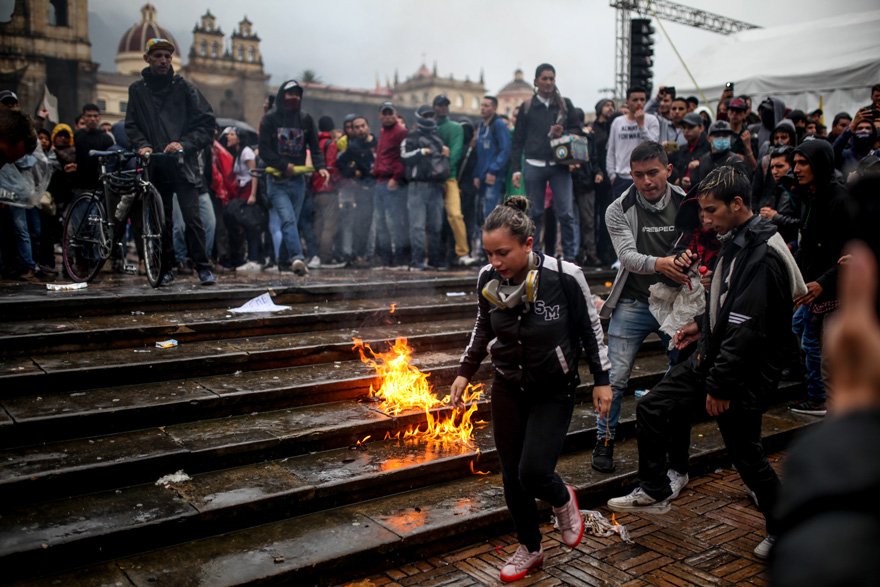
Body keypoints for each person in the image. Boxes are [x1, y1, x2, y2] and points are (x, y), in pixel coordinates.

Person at [607, 165, 806, 559]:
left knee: (745, 453)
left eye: (711, 210)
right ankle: (655, 489)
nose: (705, 219)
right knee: (652, 406)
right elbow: (728, 304)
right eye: (702, 210)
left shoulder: (761, 252)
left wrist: (719, 386)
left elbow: (747, 327)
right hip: (716, 356)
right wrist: (701, 326)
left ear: (737, 204)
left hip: (743, 372)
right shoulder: (737, 238)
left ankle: (786, 528)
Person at [450, 196, 610, 583]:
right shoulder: (487, 278)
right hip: (507, 385)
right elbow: (482, 327)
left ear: (527, 243)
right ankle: (530, 547)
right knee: (510, 474)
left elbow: (591, 328)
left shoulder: (564, 276)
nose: (496, 262)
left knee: (534, 470)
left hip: (553, 387)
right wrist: (464, 372)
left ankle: (561, 498)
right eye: (489, 253)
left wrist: (602, 379)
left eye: (503, 252)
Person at [593, 141, 690, 473]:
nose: (647, 182)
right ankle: (604, 439)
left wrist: (689, 262)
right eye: (639, 175)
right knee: (615, 377)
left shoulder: (688, 204)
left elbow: (704, 245)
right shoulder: (618, 207)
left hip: (677, 302)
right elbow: (627, 258)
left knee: (681, 375)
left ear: (668, 170)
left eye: (653, 173)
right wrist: (664, 263)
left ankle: (672, 447)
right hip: (634, 300)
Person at [124, 37, 217, 286]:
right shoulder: (137, 90)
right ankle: (165, 267)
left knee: (192, 219)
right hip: (155, 164)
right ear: (147, 59)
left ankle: (203, 267)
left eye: (167, 56)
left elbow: (207, 123)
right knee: (160, 221)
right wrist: (142, 144)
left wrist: (183, 144)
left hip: (182, 164)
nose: (163, 60)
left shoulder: (184, 87)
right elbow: (131, 125)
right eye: (158, 56)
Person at [788, 139, 850, 416]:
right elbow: (808, 245)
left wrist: (823, 282)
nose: (796, 169)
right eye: (795, 163)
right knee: (805, 337)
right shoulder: (808, 197)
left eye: (804, 163)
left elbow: (851, 252)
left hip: (836, 293)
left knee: (829, 357)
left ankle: (829, 406)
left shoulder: (841, 200)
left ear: (821, 164)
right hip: (812, 290)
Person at [258, 79, 329, 276]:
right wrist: (283, 165)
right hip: (277, 181)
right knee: (288, 220)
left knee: (292, 223)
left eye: (297, 94)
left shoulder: (306, 119)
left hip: (298, 182)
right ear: (282, 96)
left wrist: (321, 167)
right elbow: (263, 150)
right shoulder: (270, 120)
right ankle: (297, 258)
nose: (294, 98)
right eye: (290, 94)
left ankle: (283, 262)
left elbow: (315, 148)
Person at [510, 63, 581, 260]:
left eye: (552, 78)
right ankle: (534, 259)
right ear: (536, 81)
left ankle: (570, 260)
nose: (549, 82)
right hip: (534, 164)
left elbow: (578, 130)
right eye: (545, 78)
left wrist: (564, 133)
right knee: (534, 215)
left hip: (560, 166)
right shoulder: (527, 107)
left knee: (566, 215)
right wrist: (516, 169)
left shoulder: (565, 105)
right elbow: (517, 140)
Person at [401, 106, 449, 270]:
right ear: (418, 117)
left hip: (436, 186)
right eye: (425, 115)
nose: (429, 118)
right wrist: (421, 152)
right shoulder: (411, 137)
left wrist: (445, 153)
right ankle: (417, 260)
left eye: (431, 115)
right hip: (417, 186)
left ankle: (435, 260)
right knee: (418, 226)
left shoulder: (438, 137)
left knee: (436, 226)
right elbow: (404, 157)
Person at [433, 95, 476, 266]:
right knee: (433, 220)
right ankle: (433, 256)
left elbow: (456, 153)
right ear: (434, 107)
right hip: (429, 179)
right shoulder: (429, 126)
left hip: (448, 178)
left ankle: (463, 253)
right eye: (440, 105)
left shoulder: (455, 128)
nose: (443, 108)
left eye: (445, 105)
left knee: (455, 215)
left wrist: (445, 175)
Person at [219, 127, 263, 272]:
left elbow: (254, 173)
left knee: (250, 224)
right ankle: (240, 257)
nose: (228, 137)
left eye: (231, 134)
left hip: (248, 191)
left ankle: (254, 258)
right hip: (241, 191)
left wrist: (253, 195)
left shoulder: (246, 152)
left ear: (238, 137)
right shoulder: (238, 153)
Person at [371, 101, 409, 268]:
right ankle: (386, 259)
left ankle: (400, 259)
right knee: (381, 222)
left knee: (394, 222)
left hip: (391, 182)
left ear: (395, 114)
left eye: (390, 113)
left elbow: (402, 157)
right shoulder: (382, 132)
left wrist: (396, 177)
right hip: (379, 181)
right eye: (384, 113)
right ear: (380, 116)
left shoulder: (401, 132)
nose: (387, 116)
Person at [606, 86, 661, 199]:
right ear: (627, 101)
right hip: (622, 178)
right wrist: (612, 175)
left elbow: (653, 146)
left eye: (642, 99)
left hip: (646, 177)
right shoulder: (618, 122)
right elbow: (611, 150)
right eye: (635, 100)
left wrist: (641, 125)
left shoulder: (651, 120)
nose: (639, 103)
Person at [336, 115, 376, 266]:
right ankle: (361, 255)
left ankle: (374, 254)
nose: (360, 130)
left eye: (362, 126)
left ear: (368, 127)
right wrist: (353, 172)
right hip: (364, 189)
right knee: (363, 223)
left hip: (380, 186)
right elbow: (340, 163)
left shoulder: (377, 142)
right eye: (356, 127)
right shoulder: (353, 147)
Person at [474, 95, 512, 235]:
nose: (483, 108)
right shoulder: (482, 125)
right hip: (482, 176)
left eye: (486, 106)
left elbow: (505, 150)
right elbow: (480, 153)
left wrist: (493, 170)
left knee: (491, 215)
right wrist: (477, 174)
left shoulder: (499, 125)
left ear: (494, 108)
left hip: (494, 177)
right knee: (481, 214)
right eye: (481, 105)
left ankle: (492, 251)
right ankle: (483, 249)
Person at [73, 103, 114, 190]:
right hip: (80, 182)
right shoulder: (77, 135)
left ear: (99, 118)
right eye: (89, 116)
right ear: (83, 117)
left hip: (100, 183)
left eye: (95, 116)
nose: (92, 119)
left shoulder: (106, 138)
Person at [672, 112, 710, 191]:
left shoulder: (710, 148)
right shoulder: (681, 149)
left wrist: (701, 163)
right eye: (684, 128)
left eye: (690, 127)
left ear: (701, 128)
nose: (686, 131)